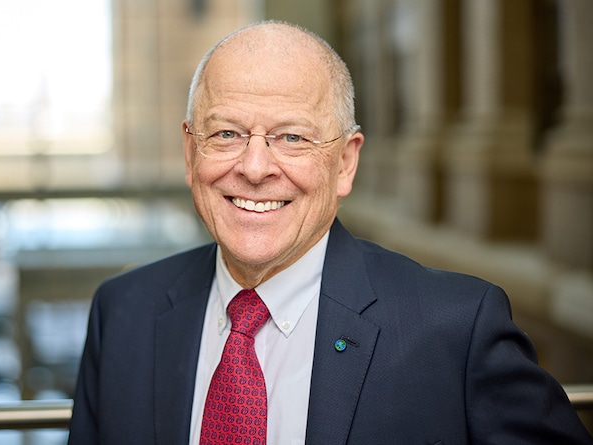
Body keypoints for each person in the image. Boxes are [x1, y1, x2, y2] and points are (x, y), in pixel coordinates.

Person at [68, 21, 593, 444]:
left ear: (345, 163)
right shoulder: (122, 315)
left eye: (291, 137)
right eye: (226, 133)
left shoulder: (455, 332)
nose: (254, 167)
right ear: (190, 153)